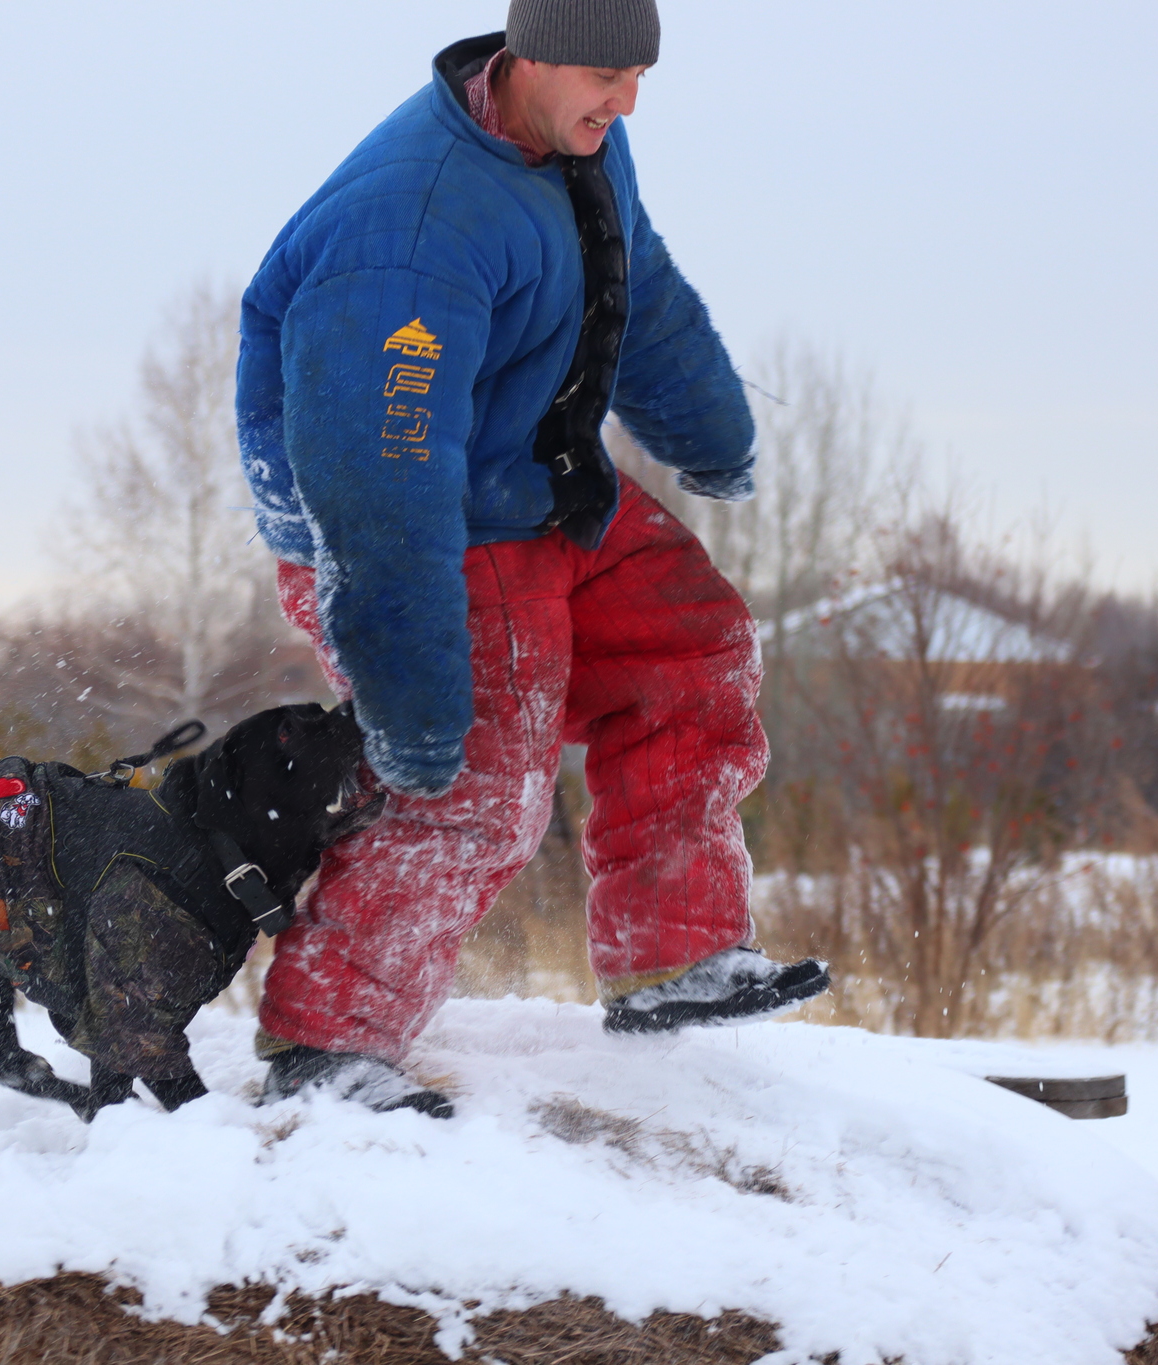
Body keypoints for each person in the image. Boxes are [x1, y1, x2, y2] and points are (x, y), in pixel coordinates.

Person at [235, 0, 829, 1117]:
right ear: (531, 54)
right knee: (474, 784)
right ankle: (328, 1044)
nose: (627, 101)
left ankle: (674, 954)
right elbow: (377, 472)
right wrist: (410, 686)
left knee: (691, 647)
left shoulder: (578, 146)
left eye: (640, 75)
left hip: (534, 487)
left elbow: (631, 287)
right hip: (407, 535)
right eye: (607, 74)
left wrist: (708, 427)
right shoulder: (409, 229)